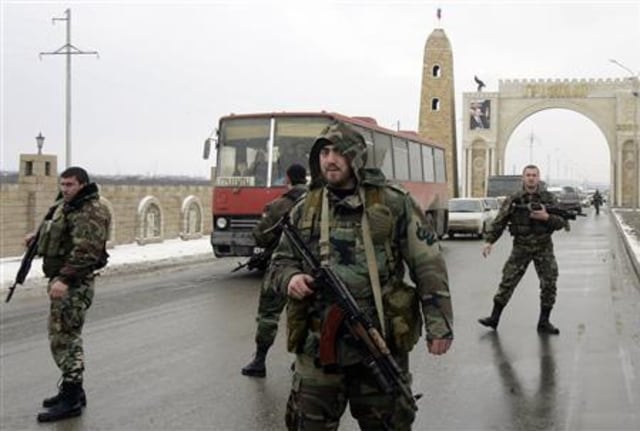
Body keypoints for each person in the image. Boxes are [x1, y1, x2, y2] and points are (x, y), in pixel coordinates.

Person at [270, 122, 454, 430]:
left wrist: (440, 326)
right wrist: (290, 279)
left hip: (377, 340)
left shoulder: (393, 203)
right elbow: (280, 261)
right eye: (324, 152)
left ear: (355, 157)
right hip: (318, 348)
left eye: (338, 152)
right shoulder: (307, 207)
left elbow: (428, 265)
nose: (330, 160)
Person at [34, 167, 111, 422]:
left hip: (74, 283)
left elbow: (86, 251)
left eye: (70, 185)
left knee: (65, 338)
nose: (65, 189)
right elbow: (60, 233)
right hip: (63, 280)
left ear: (83, 184)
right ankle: (73, 391)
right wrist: (35, 238)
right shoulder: (70, 205)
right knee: (64, 335)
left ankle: (71, 398)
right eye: (63, 184)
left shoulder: (90, 210)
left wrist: (65, 279)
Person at [479, 164, 567, 335]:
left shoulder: (548, 199)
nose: (531, 178)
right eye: (528, 175)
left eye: (534, 175)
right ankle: (494, 318)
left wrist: (546, 217)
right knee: (508, 281)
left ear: (538, 177)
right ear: (523, 178)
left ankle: (544, 321)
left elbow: (561, 222)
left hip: (543, 247)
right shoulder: (514, 199)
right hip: (521, 247)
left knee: (549, 283)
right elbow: (500, 220)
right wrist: (489, 241)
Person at [241, 163, 308, 378]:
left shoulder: (279, 205)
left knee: (268, 314)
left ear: (288, 178)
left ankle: (259, 361)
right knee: (304, 316)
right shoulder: (318, 202)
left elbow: (261, 235)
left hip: (280, 266)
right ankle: (301, 362)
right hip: (310, 268)